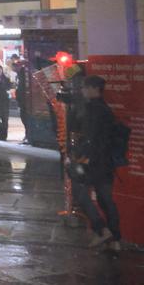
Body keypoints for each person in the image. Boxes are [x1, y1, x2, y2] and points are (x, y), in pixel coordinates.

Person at [69, 75, 123, 251]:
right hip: (106, 163)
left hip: (92, 162)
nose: (83, 90)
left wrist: (79, 157)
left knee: (79, 193)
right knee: (106, 199)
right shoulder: (105, 108)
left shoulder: (93, 109)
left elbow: (89, 138)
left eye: (85, 87)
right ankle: (115, 240)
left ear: (93, 89)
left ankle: (101, 230)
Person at [11, 54, 32, 143]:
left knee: (26, 119)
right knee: (24, 118)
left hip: (25, 101)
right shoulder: (19, 75)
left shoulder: (23, 74)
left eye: (15, 67)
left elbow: (23, 88)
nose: (13, 69)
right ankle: (27, 135)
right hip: (22, 101)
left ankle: (28, 135)